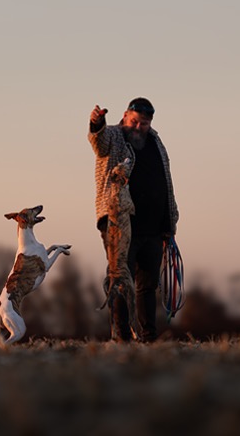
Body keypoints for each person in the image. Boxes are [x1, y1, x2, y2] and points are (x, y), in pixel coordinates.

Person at [88, 97, 178, 342]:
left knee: (148, 285)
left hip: (153, 227)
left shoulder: (156, 142)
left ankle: (148, 336)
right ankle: (122, 336)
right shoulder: (114, 136)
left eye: (144, 123)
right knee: (120, 280)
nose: (138, 127)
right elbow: (99, 143)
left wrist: (170, 224)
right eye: (135, 121)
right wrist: (97, 123)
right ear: (126, 116)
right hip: (119, 223)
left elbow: (166, 183)